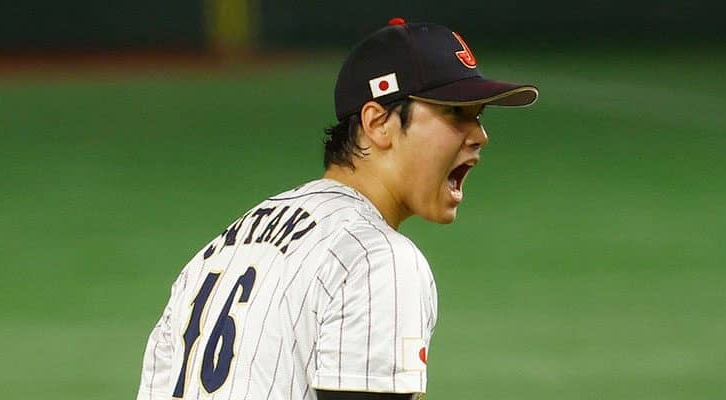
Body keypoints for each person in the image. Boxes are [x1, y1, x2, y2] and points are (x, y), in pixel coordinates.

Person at [136, 17, 538, 400]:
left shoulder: (219, 252)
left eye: (478, 116)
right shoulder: (378, 259)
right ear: (378, 123)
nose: (480, 135)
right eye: (455, 113)